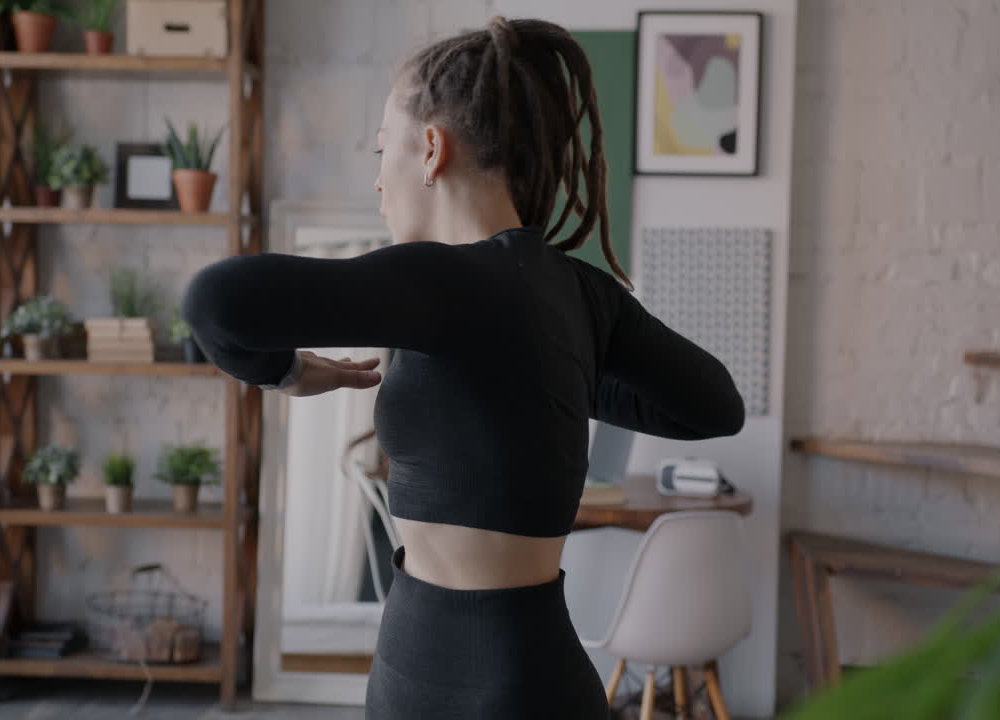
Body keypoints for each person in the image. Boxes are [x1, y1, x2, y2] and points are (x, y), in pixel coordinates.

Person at [183, 15, 745, 719]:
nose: (378, 180)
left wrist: (289, 374)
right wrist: (555, 376)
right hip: (497, 667)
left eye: (382, 149)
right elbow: (715, 406)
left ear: (429, 149)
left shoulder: (443, 282)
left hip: (459, 679)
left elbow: (213, 301)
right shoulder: (579, 292)